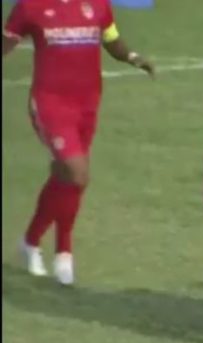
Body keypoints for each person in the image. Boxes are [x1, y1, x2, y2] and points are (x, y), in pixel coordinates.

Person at [3, 0, 154, 286]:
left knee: (66, 177)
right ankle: (64, 252)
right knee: (77, 173)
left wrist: (134, 57)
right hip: (50, 104)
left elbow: (111, 39)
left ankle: (31, 242)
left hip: (88, 102)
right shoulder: (30, 6)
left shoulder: (97, 4)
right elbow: (6, 42)